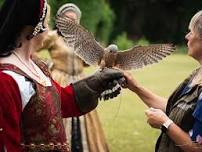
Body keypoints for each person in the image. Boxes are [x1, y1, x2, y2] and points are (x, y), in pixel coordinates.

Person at [0, 0, 124, 152]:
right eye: (46, 24)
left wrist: (93, 84)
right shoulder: (6, 79)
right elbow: (7, 144)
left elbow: (59, 102)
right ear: (34, 29)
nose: (48, 30)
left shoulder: (36, 66)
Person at [123, 10, 202, 152]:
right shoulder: (196, 74)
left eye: (191, 32)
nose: (187, 36)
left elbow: (197, 148)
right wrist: (135, 87)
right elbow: (175, 109)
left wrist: (165, 123)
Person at [38, 3, 110, 152]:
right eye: (68, 18)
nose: (72, 22)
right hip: (60, 80)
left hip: (80, 80)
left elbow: (86, 63)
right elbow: (31, 49)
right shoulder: (53, 36)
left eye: (74, 19)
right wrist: (46, 64)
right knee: (59, 115)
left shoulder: (80, 40)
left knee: (84, 115)